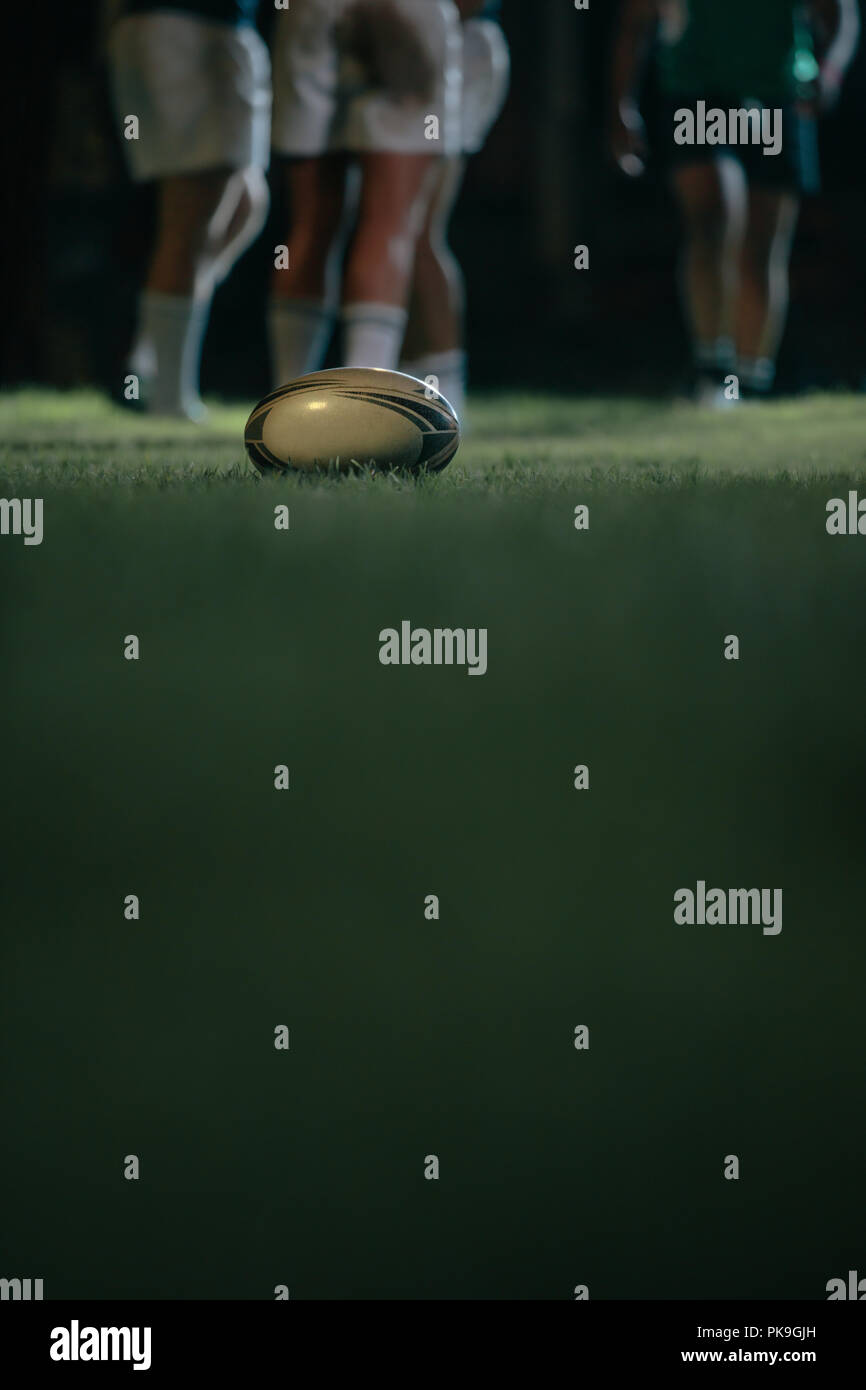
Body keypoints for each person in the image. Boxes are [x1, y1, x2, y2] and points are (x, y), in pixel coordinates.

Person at [610, 0, 860, 402]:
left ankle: (752, 381)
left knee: (761, 245)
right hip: (695, 89)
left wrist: (828, 70)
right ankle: (713, 373)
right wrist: (622, 103)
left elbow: (838, 13)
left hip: (776, 90)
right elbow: (634, 21)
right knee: (712, 218)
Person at [267, 0, 464, 385]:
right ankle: (366, 399)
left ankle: (286, 402)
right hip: (406, 10)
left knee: (311, 223)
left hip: (310, 11)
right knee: (390, 223)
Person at [107, 0, 271, 418]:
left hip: (210, 26)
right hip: (190, 22)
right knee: (191, 216)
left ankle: (147, 360)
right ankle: (169, 398)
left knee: (246, 202)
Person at [399, 0, 510, 420]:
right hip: (446, 44)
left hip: (457, 45)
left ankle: (445, 393)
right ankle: (410, 379)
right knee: (404, 235)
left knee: (419, 231)